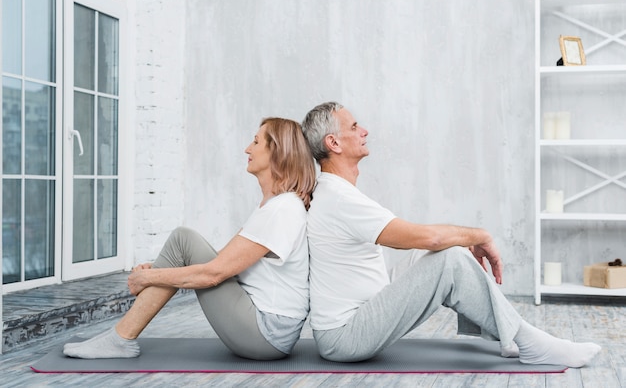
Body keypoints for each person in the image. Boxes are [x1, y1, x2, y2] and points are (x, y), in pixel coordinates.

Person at [300, 101, 601, 368]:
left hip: (362, 311)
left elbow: (429, 244)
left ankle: (509, 336)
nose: (364, 130)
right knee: (447, 259)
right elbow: (427, 237)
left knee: (442, 254)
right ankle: (528, 341)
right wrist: (479, 235)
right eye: (354, 127)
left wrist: (466, 240)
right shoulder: (340, 198)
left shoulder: (336, 192)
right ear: (334, 143)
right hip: (346, 336)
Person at [63, 117, 316, 360]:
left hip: (266, 333)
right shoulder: (275, 206)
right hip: (269, 330)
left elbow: (213, 274)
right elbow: (225, 260)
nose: (247, 148)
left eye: (256, 142)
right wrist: (161, 268)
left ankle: (120, 340)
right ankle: (120, 338)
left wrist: (148, 277)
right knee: (184, 244)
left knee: (183, 239)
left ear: (278, 152)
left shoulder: (281, 209)